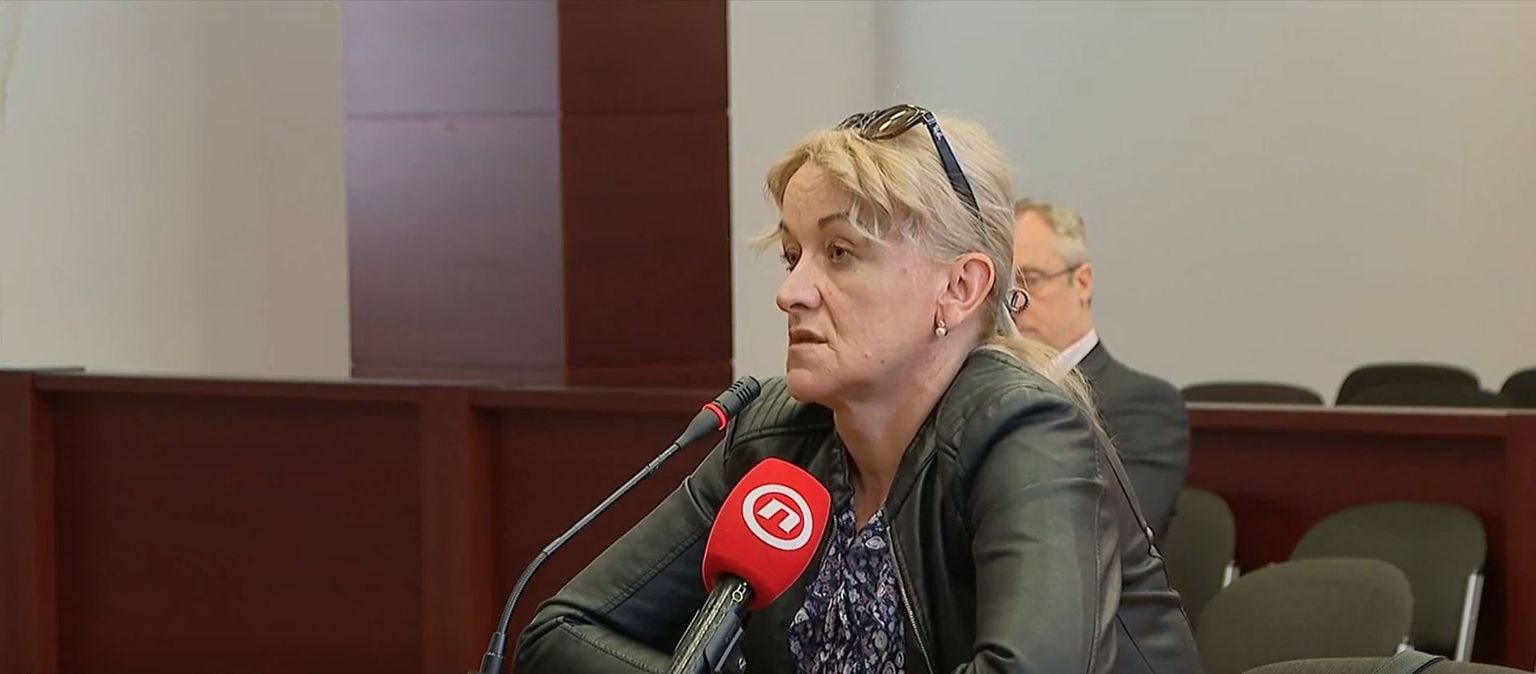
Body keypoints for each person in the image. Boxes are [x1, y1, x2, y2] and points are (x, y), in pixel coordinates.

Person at [516, 105, 1200, 673]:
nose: (790, 292)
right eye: (792, 256)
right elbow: (560, 635)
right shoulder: (774, 438)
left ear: (960, 288)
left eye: (840, 253)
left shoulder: (1024, 429)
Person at [1012, 200, 1191, 536]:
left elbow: (1111, 537)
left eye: (1030, 280)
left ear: (1082, 282)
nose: (1014, 303)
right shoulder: (976, 395)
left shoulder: (1144, 405)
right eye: (1002, 287)